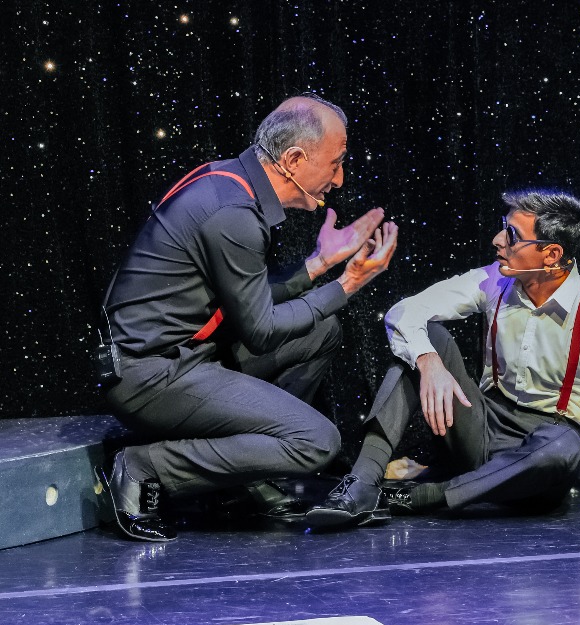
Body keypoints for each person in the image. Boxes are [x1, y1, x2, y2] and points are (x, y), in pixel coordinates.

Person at [305, 189, 580, 529]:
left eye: (511, 235)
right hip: (481, 426)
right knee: (422, 340)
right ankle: (362, 483)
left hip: (542, 450)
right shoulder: (495, 280)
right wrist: (429, 361)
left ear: (551, 254)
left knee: (563, 447)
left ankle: (417, 497)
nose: (498, 241)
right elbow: (406, 311)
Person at [98, 94, 398, 542]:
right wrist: (348, 284)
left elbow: (244, 302)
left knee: (320, 330)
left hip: (189, 355)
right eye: (334, 164)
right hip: (151, 376)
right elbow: (261, 331)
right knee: (317, 441)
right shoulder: (233, 213)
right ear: (293, 160)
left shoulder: (231, 183)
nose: (339, 179)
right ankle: (144, 467)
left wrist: (319, 264)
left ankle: (243, 471)